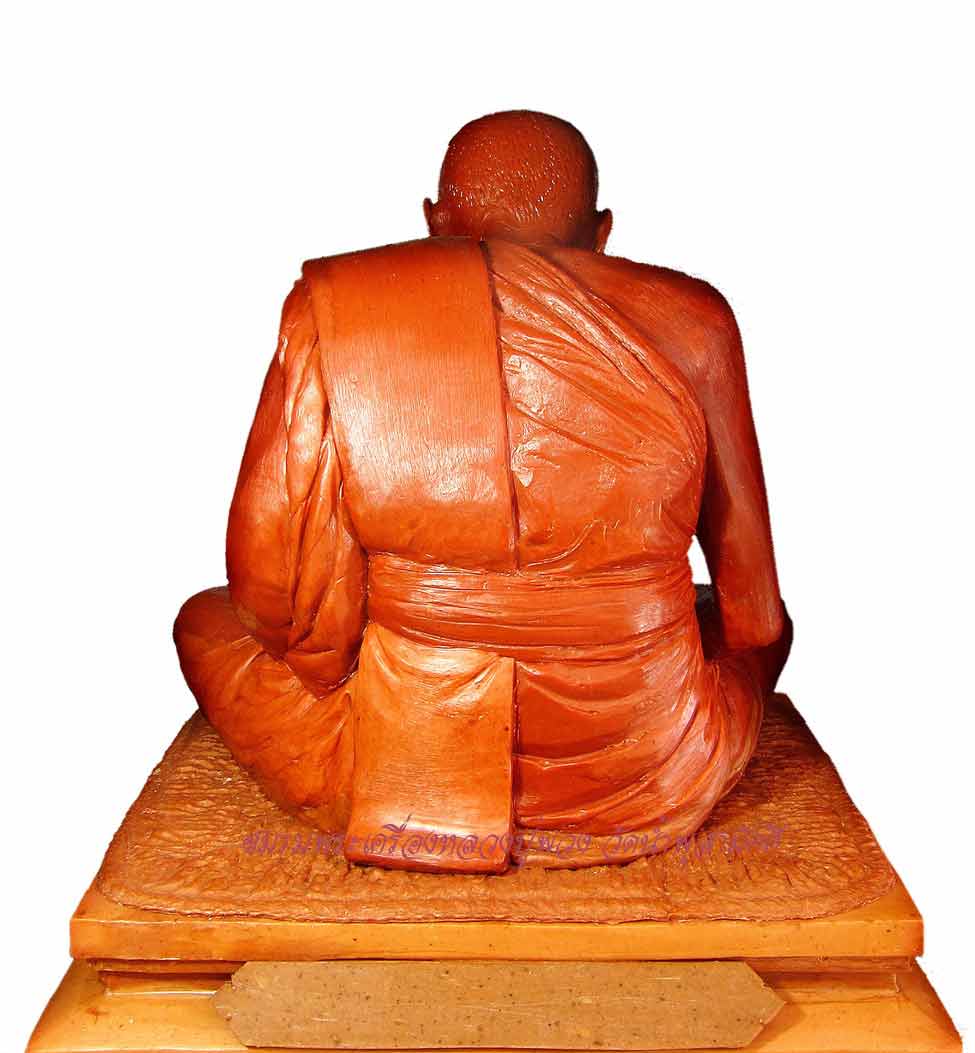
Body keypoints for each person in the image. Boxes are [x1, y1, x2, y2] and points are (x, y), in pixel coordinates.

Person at [175, 110, 790, 874]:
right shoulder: (695, 321)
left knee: (204, 622)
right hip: (652, 776)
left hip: (403, 774)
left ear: (434, 224)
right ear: (602, 232)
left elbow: (270, 595)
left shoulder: (341, 306)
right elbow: (755, 614)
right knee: (739, 635)